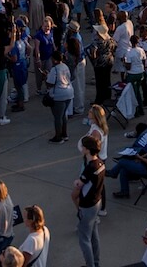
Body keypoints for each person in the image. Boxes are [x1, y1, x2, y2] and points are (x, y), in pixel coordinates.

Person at [73, 135, 104, 267]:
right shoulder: (101, 163)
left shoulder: (90, 167)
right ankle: (95, 262)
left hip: (88, 205)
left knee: (84, 239)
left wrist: (76, 182)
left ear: (86, 149)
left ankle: (90, 265)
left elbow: (79, 184)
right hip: (97, 201)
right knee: (93, 234)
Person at [44, 50, 74, 144]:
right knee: (63, 115)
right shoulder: (65, 66)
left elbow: (50, 84)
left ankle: (58, 137)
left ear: (55, 59)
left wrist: (46, 77)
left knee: (57, 117)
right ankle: (64, 134)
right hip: (69, 93)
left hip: (59, 95)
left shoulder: (55, 69)